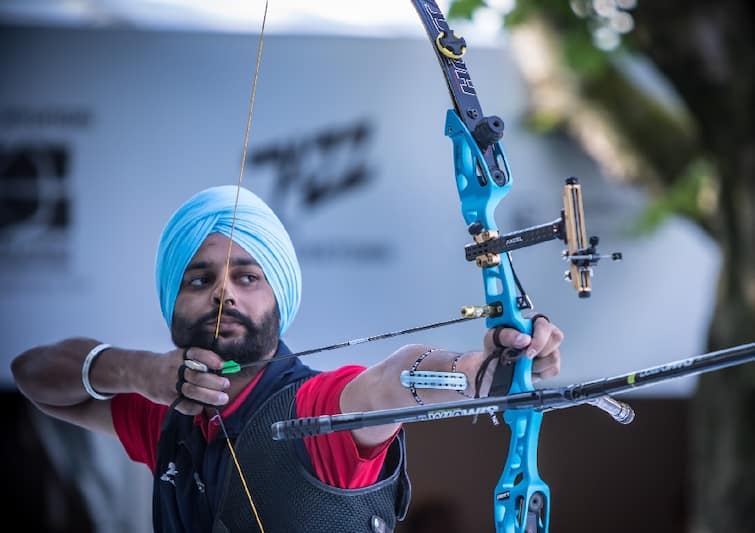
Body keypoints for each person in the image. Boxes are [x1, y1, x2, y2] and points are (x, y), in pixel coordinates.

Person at [11, 185, 563, 533]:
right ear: (171, 301)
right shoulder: (164, 414)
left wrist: (478, 370)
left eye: (247, 277)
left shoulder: (314, 408)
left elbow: (394, 381)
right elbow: (31, 375)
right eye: (199, 279)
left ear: (281, 298)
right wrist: (138, 371)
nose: (223, 294)